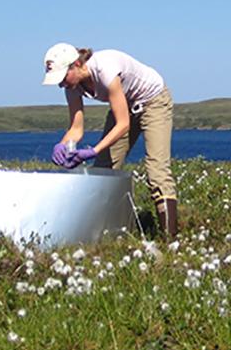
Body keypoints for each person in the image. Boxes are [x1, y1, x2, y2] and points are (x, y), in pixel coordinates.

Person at [42, 42, 178, 237]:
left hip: (152, 101)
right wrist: (62, 145)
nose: (61, 84)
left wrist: (93, 150)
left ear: (76, 65)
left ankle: (170, 241)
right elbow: (76, 128)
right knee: (103, 168)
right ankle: (100, 233)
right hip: (124, 104)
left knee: (156, 169)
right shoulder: (72, 87)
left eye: (63, 77)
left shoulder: (105, 69)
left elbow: (123, 124)